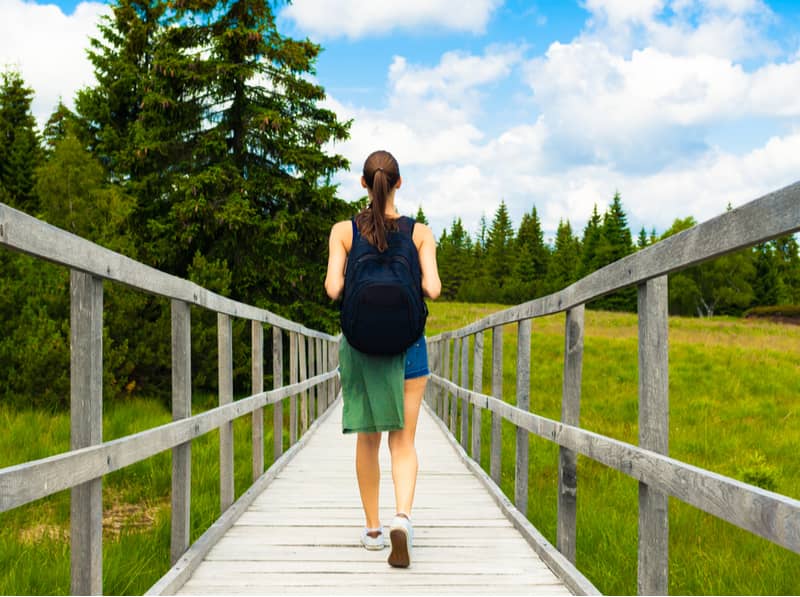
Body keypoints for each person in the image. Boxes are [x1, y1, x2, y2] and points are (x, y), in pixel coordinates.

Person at [324, 150, 441, 568]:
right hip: (409, 345)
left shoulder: (343, 230)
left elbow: (333, 290)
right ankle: (403, 519)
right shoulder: (420, 232)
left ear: (363, 184)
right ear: (399, 183)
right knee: (404, 441)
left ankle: (373, 531)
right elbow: (434, 289)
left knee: (368, 439)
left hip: (360, 347)